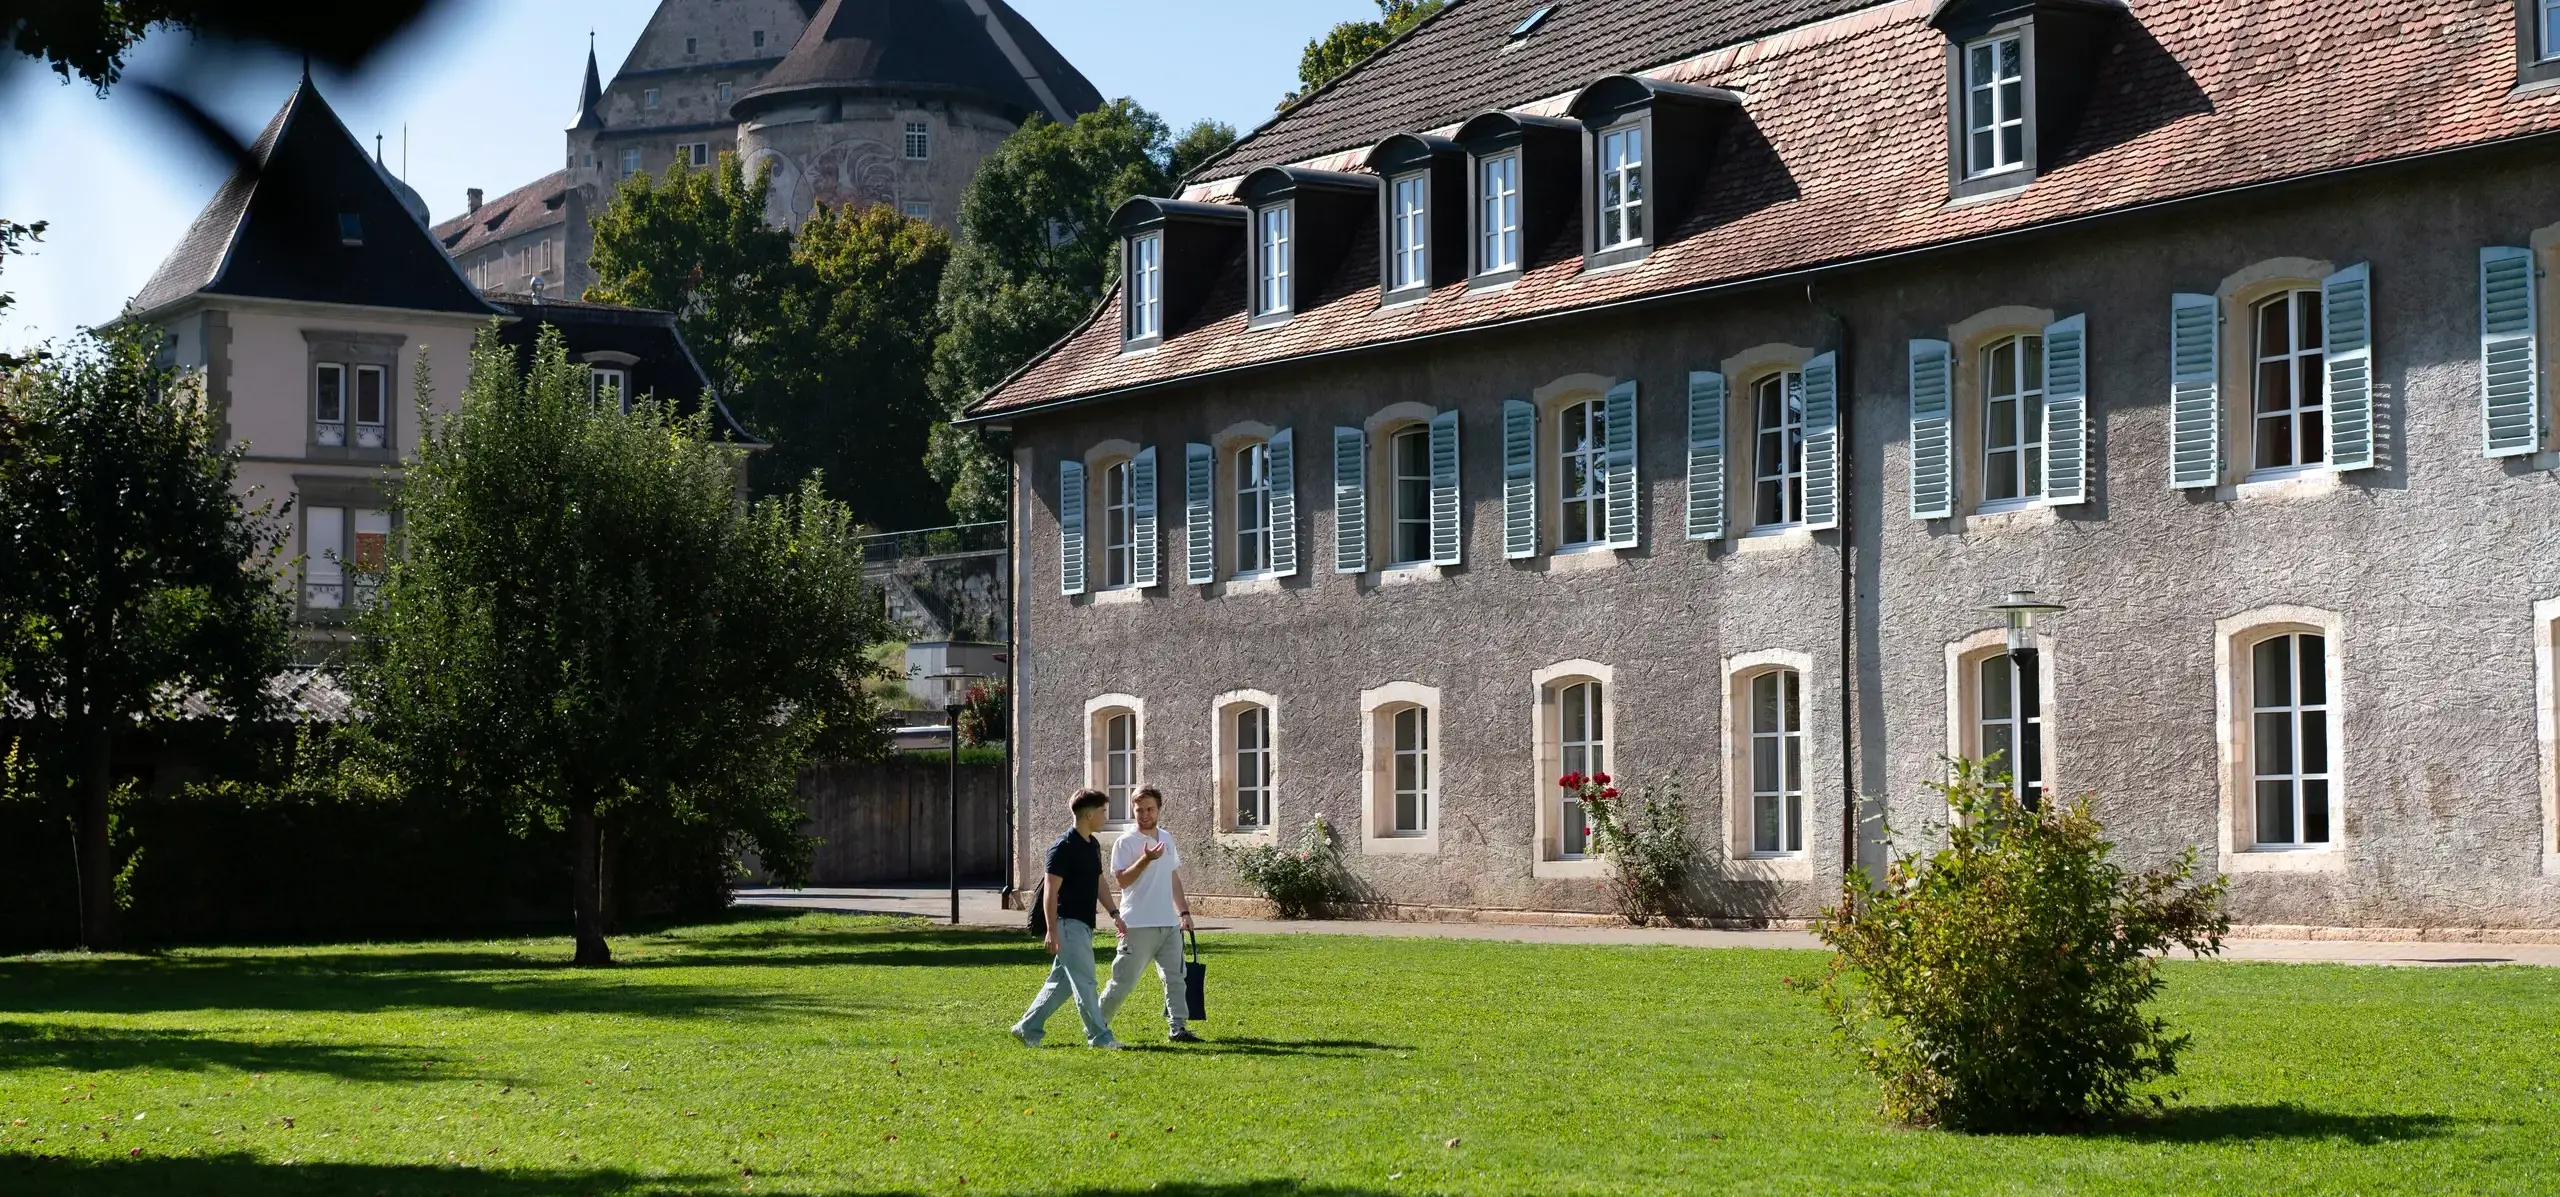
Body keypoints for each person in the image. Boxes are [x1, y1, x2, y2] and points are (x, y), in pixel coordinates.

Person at [1011, 789, 1126, 1049]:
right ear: (1088, 815)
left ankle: (1027, 1028)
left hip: (1083, 925)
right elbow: (1050, 892)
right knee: (1086, 982)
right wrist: (1052, 931)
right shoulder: (1062, 847)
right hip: (1066, 924)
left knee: (1061, 983)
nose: (1106, 817)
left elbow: (1099, 882)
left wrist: (1115, 914)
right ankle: (1100, 1037)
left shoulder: (1092, 845)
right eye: (1103, 811)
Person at [1098, 786, 1199, 1043]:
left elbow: (1172, 877)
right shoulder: (1125, 842)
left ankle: (1178, 1028)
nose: (1144, 815)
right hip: (1137, 925)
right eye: (1139, 810)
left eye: (1150, 809)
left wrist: (1184, 912)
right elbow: (1122, 880)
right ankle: (1097, 1025)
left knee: (1176, 978)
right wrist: (1145, 859)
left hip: (1168, 924)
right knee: (1123, 981)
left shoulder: (1167, 837)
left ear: (1159, 809)